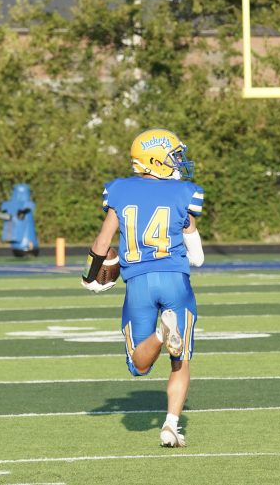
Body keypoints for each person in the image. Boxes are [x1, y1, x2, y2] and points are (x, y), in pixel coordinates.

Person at [81, 128, 205, 448]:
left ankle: (161, 335)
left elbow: (102, 242)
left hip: (138, 282)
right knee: (180, 360)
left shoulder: (120, 190)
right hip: (175, 280)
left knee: (139, 364)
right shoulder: (184, 193)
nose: (178, 162)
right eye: (173, 156)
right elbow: (198, 258)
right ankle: (171, 425)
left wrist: (91, 277)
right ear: (155, 160)